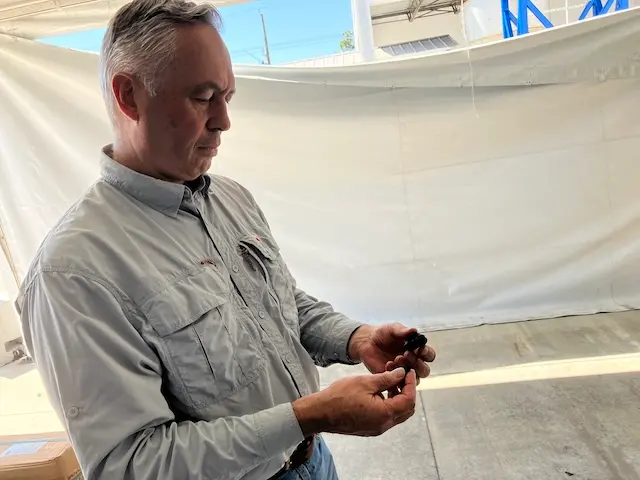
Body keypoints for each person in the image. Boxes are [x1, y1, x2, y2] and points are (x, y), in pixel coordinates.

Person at [14, 1, 436, 479]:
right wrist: (310, 414)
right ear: (129, 96)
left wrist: (356, 339)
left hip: (314, 462)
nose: (223, 121)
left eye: (227, 97)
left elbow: (280, 305)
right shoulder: (74, 272)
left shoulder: (230, 199)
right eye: (203, 97)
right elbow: (128, 465)